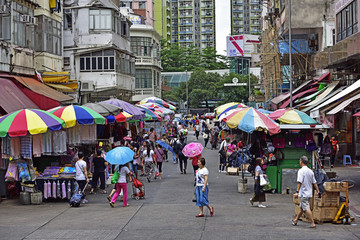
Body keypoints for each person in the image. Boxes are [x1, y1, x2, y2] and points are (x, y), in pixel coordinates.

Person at [292, 156, 320, 228]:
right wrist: (318, 191)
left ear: (301, 161)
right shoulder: (310, 171)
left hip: (304, 193)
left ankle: (312, 223)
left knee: (306, 208)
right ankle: (296, 220)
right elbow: (314, 182)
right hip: (309, 193)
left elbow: (299, 182)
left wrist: (297, 192)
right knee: (301, 208)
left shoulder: (301, 171)